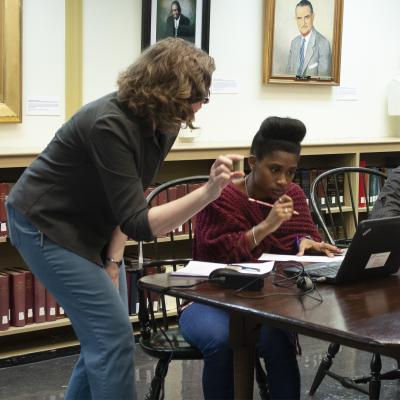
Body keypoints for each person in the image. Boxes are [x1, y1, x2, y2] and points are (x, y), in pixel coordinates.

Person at [5, 37, 243, 400]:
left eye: (202, 99)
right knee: (112, 337)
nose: (197, 109)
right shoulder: (110, 124)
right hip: (43, 224)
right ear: (163, 91)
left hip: (91, 226)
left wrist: (113, 259)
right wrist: (210, 191)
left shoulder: (166, 120)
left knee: (101, 339)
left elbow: (131, 193)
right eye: (192, 99)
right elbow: (139, 221)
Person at [179, 116, 341, 400]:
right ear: (253, 163)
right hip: (209, 298)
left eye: (291, 172)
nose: (283, 181)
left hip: (264, 300)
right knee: (221, 341)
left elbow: (299, 235)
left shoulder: (293, 194)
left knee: (279, 339)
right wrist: (266, 226)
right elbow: (216, 254)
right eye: (275, 169)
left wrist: (306, 242)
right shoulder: (222, 197)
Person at [286, 0, 332, 77]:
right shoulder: (294, 43)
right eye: (299, 18)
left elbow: (323, 81)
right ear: (296, 19)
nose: (303, 23)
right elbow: (287, 75)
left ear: (313, 16)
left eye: (306, 17)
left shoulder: (323, 44)